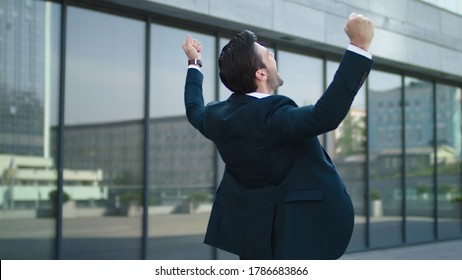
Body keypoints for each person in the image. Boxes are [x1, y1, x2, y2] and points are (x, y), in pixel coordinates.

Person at [182, 13, 374, 260]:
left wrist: (193, 63)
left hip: (256, 237)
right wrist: (358, 48)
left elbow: (193, 110)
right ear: (261, 74)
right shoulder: (272, 116)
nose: (274, 59)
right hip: (296, 237)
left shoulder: (216, 117)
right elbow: (324, 116)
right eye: (269, 55)